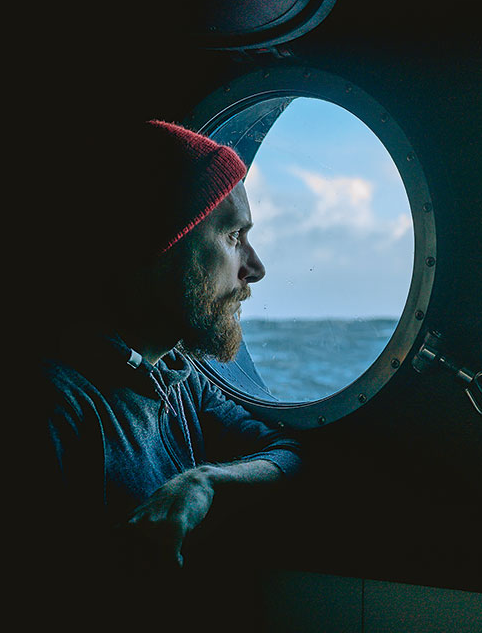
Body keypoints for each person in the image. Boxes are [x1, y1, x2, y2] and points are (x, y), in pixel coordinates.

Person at [34, 120, 301, 576]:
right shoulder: (50, 407)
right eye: (234, 236)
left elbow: (286, 452)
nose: (254, 268)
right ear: (160, 245)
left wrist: (207, 481)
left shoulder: (179, 378)